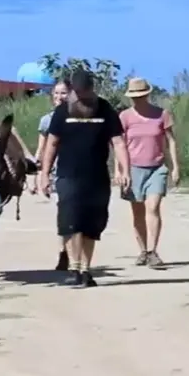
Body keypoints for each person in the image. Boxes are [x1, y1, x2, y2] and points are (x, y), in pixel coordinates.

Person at [38, 69, 129, 287]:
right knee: (70, 223)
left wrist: (125, 170)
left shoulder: (105, 109)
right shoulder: (62, 112)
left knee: (92, 225)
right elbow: (51, 144)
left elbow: (118, 142)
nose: (82, 96)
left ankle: (85, 269)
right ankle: (74, 268)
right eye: (79, 92)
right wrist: (44, 174)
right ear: (73, 91)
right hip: (68, 176)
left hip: (97, 178)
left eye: (86, 91)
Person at [119, 77, 181, 268]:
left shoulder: (162, 114)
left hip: (157, 167)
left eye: (141, 95)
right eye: (134, 96)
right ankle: (143, 250)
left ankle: (153, 251)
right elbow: (119, 144)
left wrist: (175, 166)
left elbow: (171, 140)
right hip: (133, 169)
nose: (137, 99)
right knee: (137, 211)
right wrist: (121, 170)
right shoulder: (125, 117)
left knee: (152, 207)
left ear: (147, 94)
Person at [34, 80, 71, 271]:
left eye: (63, 93)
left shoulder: (77, 117)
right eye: (56, 93)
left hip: (75, 169)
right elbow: (41, 149)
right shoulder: (46, 120)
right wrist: (38, 174)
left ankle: (73, 252)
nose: (59, 97)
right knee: (64, 211)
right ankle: (64, 252)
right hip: (57, 172)